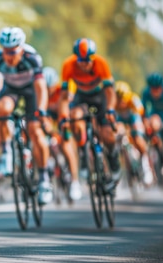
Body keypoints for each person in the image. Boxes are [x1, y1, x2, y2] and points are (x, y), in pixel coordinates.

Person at [0, 27, 53, 204]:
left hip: (31, 91)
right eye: (6, 51)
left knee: (35, 131)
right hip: (12, 90)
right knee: (2, 108)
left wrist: (42, 111)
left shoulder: (32, 58)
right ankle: (6, 153)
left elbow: (41, 89)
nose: (9, 56)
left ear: (21, 49)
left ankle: (44, 180)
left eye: (13, 52)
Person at [58, 38, 121, 192]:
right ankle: (84, 154)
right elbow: (64, 96)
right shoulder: (68, 65)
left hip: (101, 97)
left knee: (107, 135)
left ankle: (112, 158)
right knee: (74, 118)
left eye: (87, 61)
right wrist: (63, 117)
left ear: (93, 58)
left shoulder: (101, 63)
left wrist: (111, 109)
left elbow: (110, 92)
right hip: (81, 97)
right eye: (81, 60)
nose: (84, 64)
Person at [43, 66, 82, 200]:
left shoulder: (62, 91)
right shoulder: (41, 93)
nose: (49, 91)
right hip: (51, 118)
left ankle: (75, 181)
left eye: (51, 88)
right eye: (46, 88)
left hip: (64, 118)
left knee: (66, 146)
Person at [114, 80, 154, 186]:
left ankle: (146, 168)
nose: (121, 103)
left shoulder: (133, 99)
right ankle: (120, 167)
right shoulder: (113, 102)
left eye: (123, 100)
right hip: (121, 121)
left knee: (138, 139)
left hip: (134, 119)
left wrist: (137, 129)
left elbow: (140, 115)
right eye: (119, 100)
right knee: (117, 135)